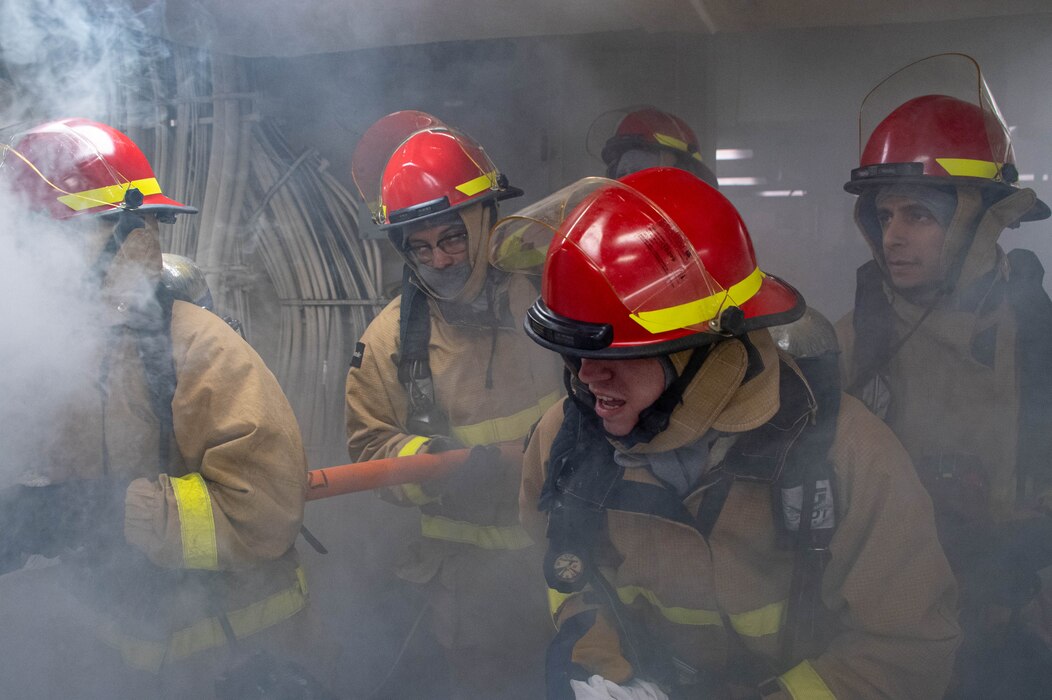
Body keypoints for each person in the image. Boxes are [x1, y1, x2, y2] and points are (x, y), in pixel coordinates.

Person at [508, 167, 959, 699]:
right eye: (576, 352)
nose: (586, 376)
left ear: (705, 349)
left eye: (618, 356)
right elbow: (564, 573)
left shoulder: (850, 454)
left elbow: (907, 651)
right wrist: (594, 663)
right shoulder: (564, 441)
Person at [0, 118, 333, 698]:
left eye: (46, 242)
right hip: (121, 647)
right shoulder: (56, 349)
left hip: (236, 646)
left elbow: (266, 512)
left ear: (124, 236)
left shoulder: (202, 350)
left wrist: (113, 511)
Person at [837, 54, 1052, 697]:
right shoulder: (851, 345)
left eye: (920, 215)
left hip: (1012, 637)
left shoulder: (1041, 346)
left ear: (982, 219)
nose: (893, 236)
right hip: (880, 645)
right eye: (885, 214)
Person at [345, 111, 562, 699]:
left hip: (573, 564)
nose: (440, 261)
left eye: (453, 238)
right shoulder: (390, 340)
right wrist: (441, 467)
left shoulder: (555, 296)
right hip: (469, 590)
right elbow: (369, 449)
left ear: (487, 220)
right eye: (420, 247)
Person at [588, 105, 718, 185]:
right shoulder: (604, 225)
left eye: (638, 172)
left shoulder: (702, 225)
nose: (629, 184)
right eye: (622, 175)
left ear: (683, 171)